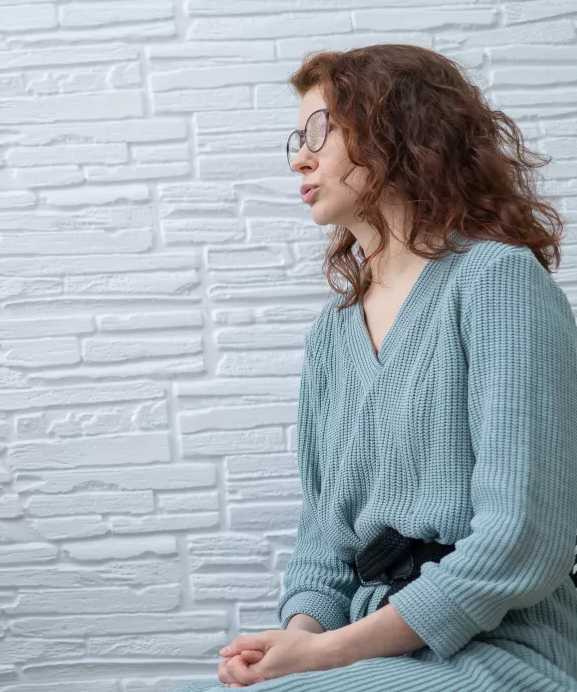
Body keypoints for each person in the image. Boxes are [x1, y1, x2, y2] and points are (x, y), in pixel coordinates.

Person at [178, 45, 577, 690]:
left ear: (398, 132)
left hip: (497, 646)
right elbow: (324, 534)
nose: (298, 157)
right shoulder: (332, 337)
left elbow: (522, 537)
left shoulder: (496, 282)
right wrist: (299, 639)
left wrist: (328, 656)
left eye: (319, 132)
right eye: (295, 137)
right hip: (369, 648)